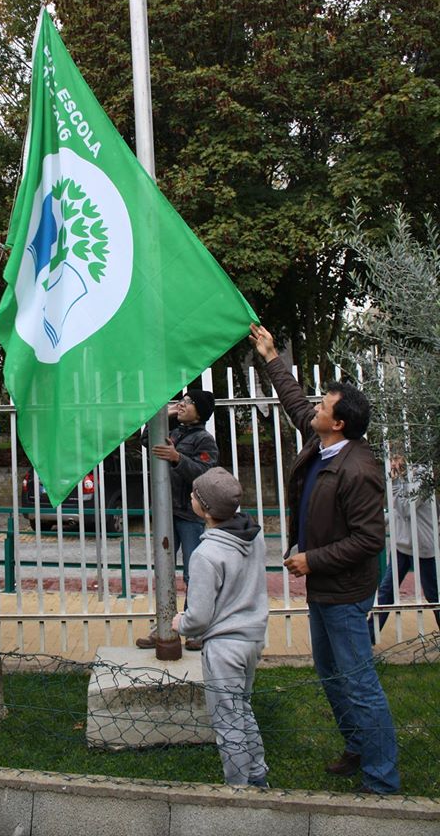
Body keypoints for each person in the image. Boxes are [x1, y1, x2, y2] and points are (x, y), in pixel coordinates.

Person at [249, 323, 399, 794]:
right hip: (325, 589)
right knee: (331, 675)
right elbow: (296, 402)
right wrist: (272, 356)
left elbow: (369, 539)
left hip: (345, 592)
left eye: (324, 407)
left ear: (339, 423)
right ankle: (358, 746)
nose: (315, 408)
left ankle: (382, 779)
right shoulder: (322, 443)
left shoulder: (359, 469)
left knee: (359, 682)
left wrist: (313, 560)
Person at [173, 467, 269, 787]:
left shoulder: (205, 554)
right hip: (253, 639)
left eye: (195, 495)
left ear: (205, 509)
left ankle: (237, 789)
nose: (190, 497)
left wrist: (181, 624)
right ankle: (257, 775)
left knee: (227, 721)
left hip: (224, 647)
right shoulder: (254, 538)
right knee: (243, 707)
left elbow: (198, 617)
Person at [136, 390, 219, 651]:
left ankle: (195, 629)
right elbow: (147, 439)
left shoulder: (204, 440)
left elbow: (205, 473)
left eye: (189, 403)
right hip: (167, 514)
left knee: (194, 575)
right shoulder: (175, 433)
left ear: (201, 411)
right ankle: (163, 626)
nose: (182, 404)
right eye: (182, 401)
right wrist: (167, 413)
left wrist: (178, 458)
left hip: (189, 516)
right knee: (164, 570)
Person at [370, 456, 440, 641]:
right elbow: (395, 510)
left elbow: (406, 508)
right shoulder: (400, 477)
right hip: (402, 546)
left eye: (396, 458)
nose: (392, 463)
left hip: (423, 547)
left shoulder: (423, 478)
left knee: (434, 595)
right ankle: (369, 635)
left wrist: (394, 482)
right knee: (386, 591)